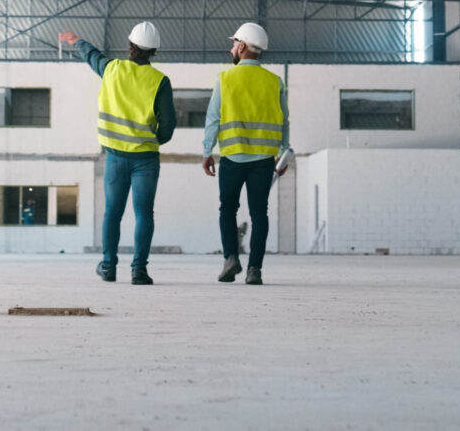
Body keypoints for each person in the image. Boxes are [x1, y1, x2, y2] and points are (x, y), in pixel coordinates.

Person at [60, 23, 176, 285]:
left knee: (112, 212)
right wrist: (152, 139)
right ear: (153, 51)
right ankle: (139, 270)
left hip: (115, 157)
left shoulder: (112, 69)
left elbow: (92, 55)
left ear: (130, 46)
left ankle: (109, 266)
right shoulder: (160, 81)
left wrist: (76, 38)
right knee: (144, 213)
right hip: (145, 159)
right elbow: (168, 125)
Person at [202, 23, 290, 286]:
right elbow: (284, 120)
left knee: (227, 209)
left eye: (233, 43)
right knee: (259, 213)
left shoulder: (225, 78)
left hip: (232, 157)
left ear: (242, 46)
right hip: (264, 160)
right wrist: (284, 152)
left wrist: (207, 151)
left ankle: (231, 258)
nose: (231, 47)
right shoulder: (275, 81)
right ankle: (255, 270)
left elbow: (213, 118)